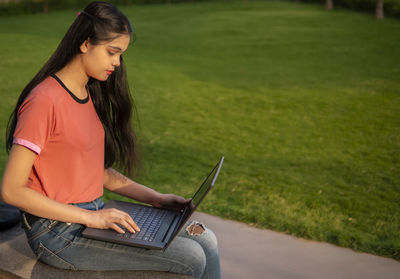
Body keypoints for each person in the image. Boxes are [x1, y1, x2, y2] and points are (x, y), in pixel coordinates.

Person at [0, 2, 220, 278]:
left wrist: (157, 199)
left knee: (205, 239)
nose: (117, 62)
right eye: (112, 52)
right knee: (191, 257)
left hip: (92, 215)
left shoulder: (88, 94)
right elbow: (11, 190)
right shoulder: (44, 101)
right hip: (56, 232)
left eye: (120, 54)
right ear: (85, 44)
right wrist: (93, 218)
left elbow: (97, 173)